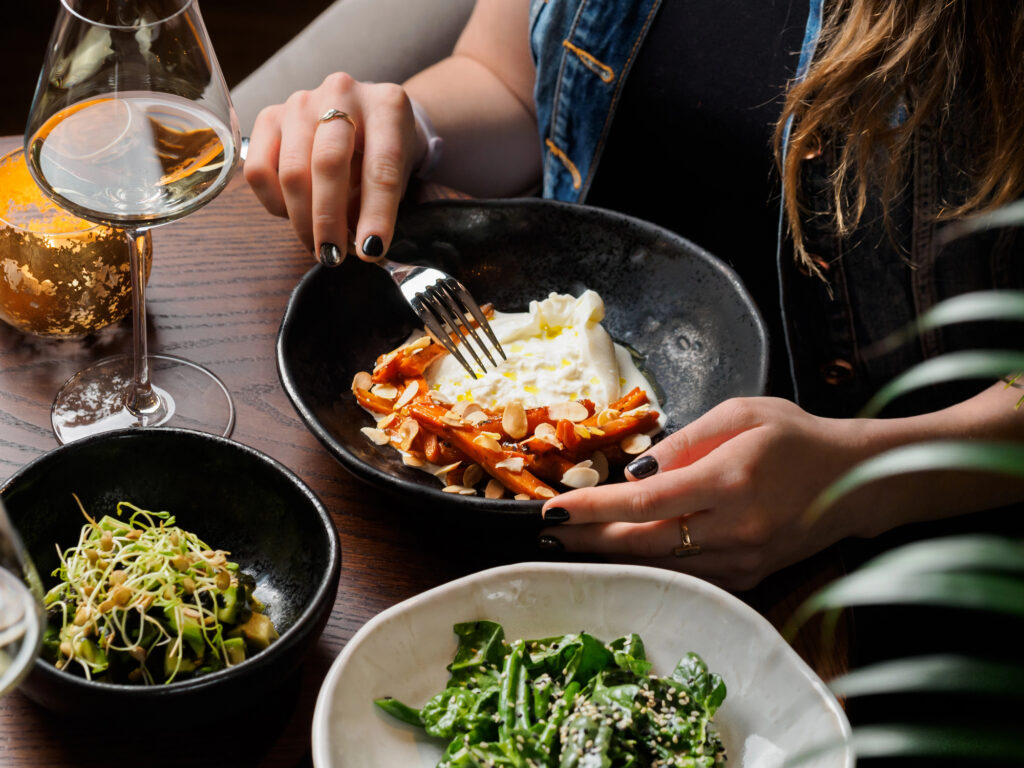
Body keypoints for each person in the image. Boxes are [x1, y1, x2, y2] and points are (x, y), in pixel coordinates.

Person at [245, 0, 1024, 591]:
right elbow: (508, 85)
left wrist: (859, 482)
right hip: (511, 534)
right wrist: (403, 128)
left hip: (905, 555)